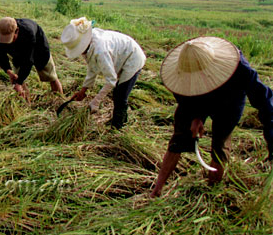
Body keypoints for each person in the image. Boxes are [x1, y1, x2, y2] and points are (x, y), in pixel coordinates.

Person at [150, 36, 273, 198]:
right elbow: (183, 99)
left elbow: (266, 104)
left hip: (229, 101)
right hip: (194, 96)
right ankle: (156, 190)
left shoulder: (239, 68)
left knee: (220, 145)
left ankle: (210, 192)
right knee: (178, 140)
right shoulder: (180, 71)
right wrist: (196, 117)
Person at [61, 17, 146, 129]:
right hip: (120, 56)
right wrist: (83, 90)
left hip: (132, 58)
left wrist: (95, 102)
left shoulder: (100, 51)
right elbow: (92, 68)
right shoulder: (90, 43)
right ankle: (121, 121)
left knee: (120, 95)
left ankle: (118, 127)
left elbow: (111, 81)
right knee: (118, 94)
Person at [0, 17, 63, 99]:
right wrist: (9, 71)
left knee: (51, 77)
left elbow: (28, 61)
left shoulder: (28, 32)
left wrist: (18, 82)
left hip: (39, 48)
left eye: (11, 38)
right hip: (16, 52)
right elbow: (1, 55)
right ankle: (26, 104)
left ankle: (60, 100)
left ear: (17, 31)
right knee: (17, 79)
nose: (10, 42)